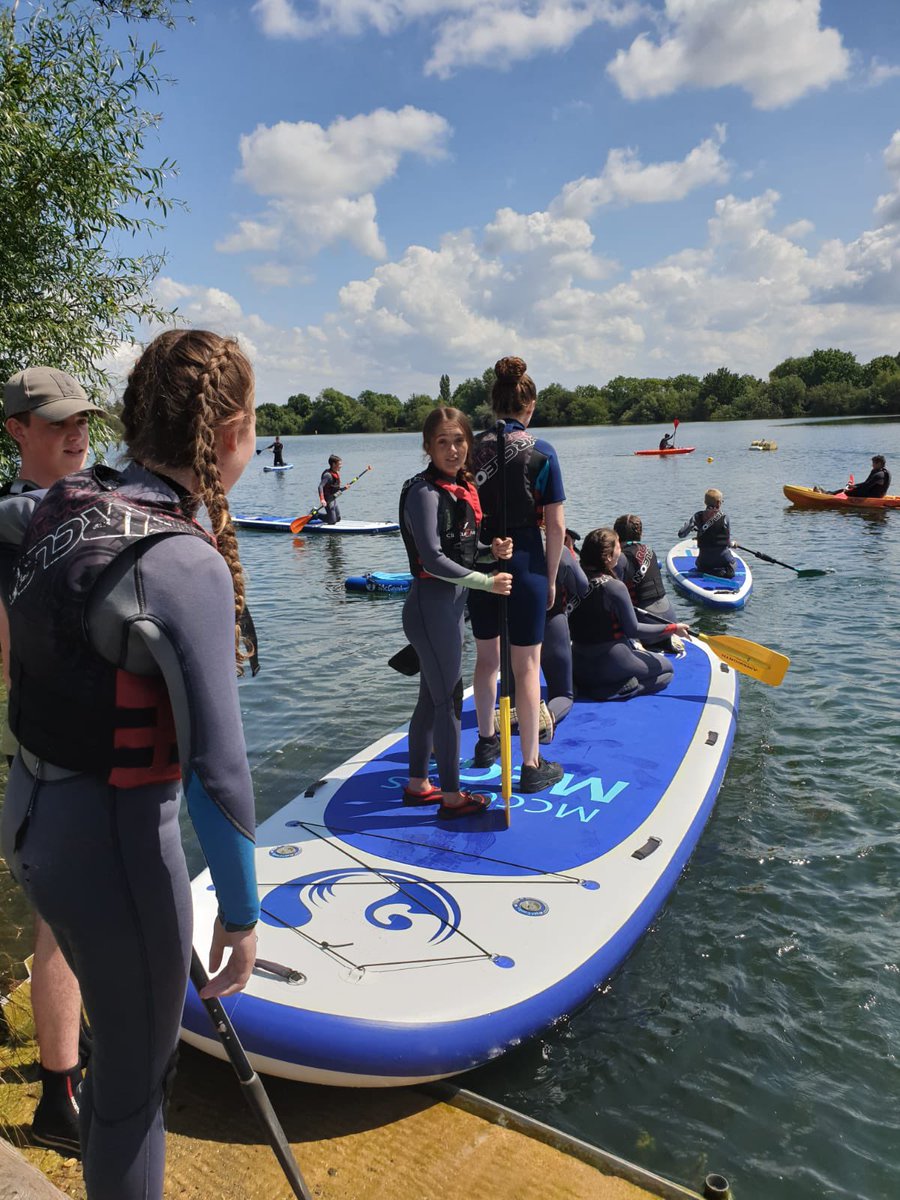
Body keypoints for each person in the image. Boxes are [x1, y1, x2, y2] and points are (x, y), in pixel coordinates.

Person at [0, 329, 260, 1200]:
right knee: (132, 1089)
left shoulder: (60, 501)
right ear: (231, 433)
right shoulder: (182, 560)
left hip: (28, 821)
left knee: (115, 1048)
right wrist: (242, 915)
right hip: (113, 852)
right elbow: (218, 772)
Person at [0, 366, 103, 1154]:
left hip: (57, 737)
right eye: (57, 422)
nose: (75, 433)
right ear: (17, 431)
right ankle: (59, 1101)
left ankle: (67, 1045)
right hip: (43, 740)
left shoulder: (78, 508)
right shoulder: (16, 525)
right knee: (64, 915)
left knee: (69, 909)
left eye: (82, 420)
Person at [399, 407, 512, 818]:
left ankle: (418, 785)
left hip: (446, 612)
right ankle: (451, 796)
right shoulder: (424, 493)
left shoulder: (458, 488)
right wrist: (486, 582)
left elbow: (462, 551)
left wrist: (491, 551)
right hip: (431, 610)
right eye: (442, 442)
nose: (452, 450)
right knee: (447, 701)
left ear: (469, 442)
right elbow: (431, 559)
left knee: (430, 699)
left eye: (459, 440)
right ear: (427, 447)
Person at [468, 356, 566, 794]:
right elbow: (556, 526)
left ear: (493, 403)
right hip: (525, 560)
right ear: (531, 405)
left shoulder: (470, 449)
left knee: (486, 659)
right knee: (527, 666)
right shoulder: (542, 452)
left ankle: (486, 742)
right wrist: (551, 578)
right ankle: (530, 764)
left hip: (481, 562)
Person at [568, 528, 690, 701]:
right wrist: (672, 628)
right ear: (608, 556)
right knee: (667, 671)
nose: (621, 551)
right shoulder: (615, 587)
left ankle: (591, 686)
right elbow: (633, 630)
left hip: (578, 665)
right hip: (611, 662)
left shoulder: (572, 580)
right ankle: (619, 690)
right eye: (618, 546)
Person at [613, 514, 681, 650]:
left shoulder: (621, 558)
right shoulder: (651, 552)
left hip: (645, 627)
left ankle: (635, 642)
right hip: (669, 619)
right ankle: (666, 639)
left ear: (616, 535)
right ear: (641, 533)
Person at [678, 487, 736, 578]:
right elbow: (727, 543)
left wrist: (690, 527)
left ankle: (708, 571)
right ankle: (726, 572)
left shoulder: (697, 516)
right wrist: (733, 544)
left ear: (705, 502)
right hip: (723, 560)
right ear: (718, 503)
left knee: (699, 563)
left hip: (704, 562)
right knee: (733, 562)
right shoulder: (725, 517)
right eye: (722, 501)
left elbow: (681, 534)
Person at [826, 455, 891, 498]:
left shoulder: (880, 475)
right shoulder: (877, 471)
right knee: (848, 490)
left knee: (846, 491)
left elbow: (866, 486)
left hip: (874, 496)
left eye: (873, 463)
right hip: (873, 493)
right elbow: (866, 483)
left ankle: (829, 495)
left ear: (879, 463)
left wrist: (853, 487)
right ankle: (829, 493)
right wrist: (853, 486)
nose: (872, 465)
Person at [318, 453, 343, 524]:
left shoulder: (335, 473)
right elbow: (320, 486)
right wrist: (322, 499)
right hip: (327, 499)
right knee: (332, 521)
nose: (341, 466)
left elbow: (334, 487)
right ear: (334, 464)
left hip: (333, 498)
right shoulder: (328, 475)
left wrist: (344, 488)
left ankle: (329, 517)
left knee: (338, 518)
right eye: (339, 464)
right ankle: (316, 515)